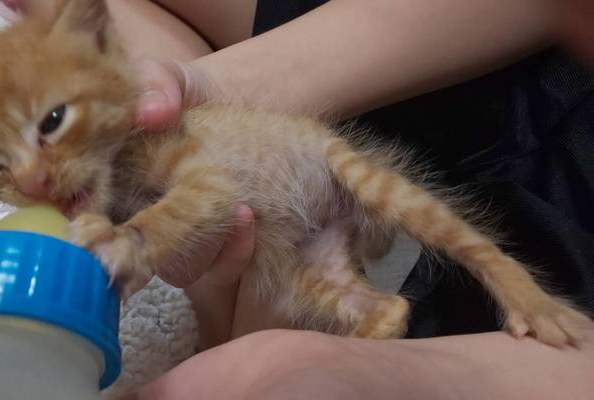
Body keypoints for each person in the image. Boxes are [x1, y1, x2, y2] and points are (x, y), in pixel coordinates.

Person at [37, 0, 594, 398]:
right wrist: (211, 88)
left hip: (549, 268)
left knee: (244, 286)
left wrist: (394, 374)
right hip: (497, 65)